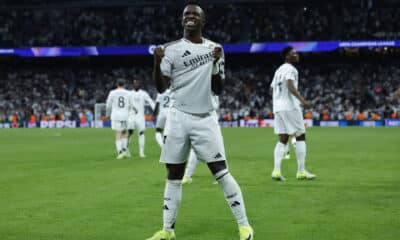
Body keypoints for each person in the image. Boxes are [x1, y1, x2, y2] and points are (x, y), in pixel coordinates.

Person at [147, 4, 253, 240]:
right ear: (182, 20)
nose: (190, 17)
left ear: (203, 21)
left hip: (205, 118)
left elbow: (219, 88)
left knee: (221, 171)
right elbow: (161, 86)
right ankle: (167, 230)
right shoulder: (170, 50)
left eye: (195, 14)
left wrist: (215, 63)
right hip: (177, 117)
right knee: (173, 174)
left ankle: (245, 226)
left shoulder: (215, 49)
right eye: (186, 14)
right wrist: (156, 63)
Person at [270, 46, 316, 181]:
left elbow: (272, 87)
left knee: (283, 139)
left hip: (278, 107)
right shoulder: (291, 69)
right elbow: (290, 85)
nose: (296, 55)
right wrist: (302, 100)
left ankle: (276, 171)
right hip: (290, 107)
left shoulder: (279, 70)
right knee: (300, 136)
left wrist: (278, 101)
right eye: (293, 53)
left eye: (296, 53)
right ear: (287, 57)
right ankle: (301, 171)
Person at [181, 93, 220, 185]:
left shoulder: (213, 92)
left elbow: (215, 106)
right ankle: (187, 176)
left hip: (210, 123)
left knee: (214, 151)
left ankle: (222, 176)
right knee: (195, 149)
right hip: (200, 122)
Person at [105, 78, 134, 159]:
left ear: (117, 84)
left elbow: (108, 105)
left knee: (118, 133)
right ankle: (124, 150)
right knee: (124, 132)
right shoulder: (128, 93)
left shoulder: (112, 92)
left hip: (116, 115)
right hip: (125, 115)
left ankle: (120, 152)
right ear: (124, 85)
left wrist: (107, 115)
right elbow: (131, 105)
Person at [126, 79, 155, 158]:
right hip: (131, 117)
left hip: (140, 117)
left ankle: (141, 152)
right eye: (135, 83)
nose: (136, 84)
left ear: (140, 84)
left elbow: (151, 102)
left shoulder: (143, 93)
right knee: (130, 133)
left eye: (137, 83)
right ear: (133, 84)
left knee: (141, 133)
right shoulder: (129, 93)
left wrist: (155, 111)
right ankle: (127, 150)